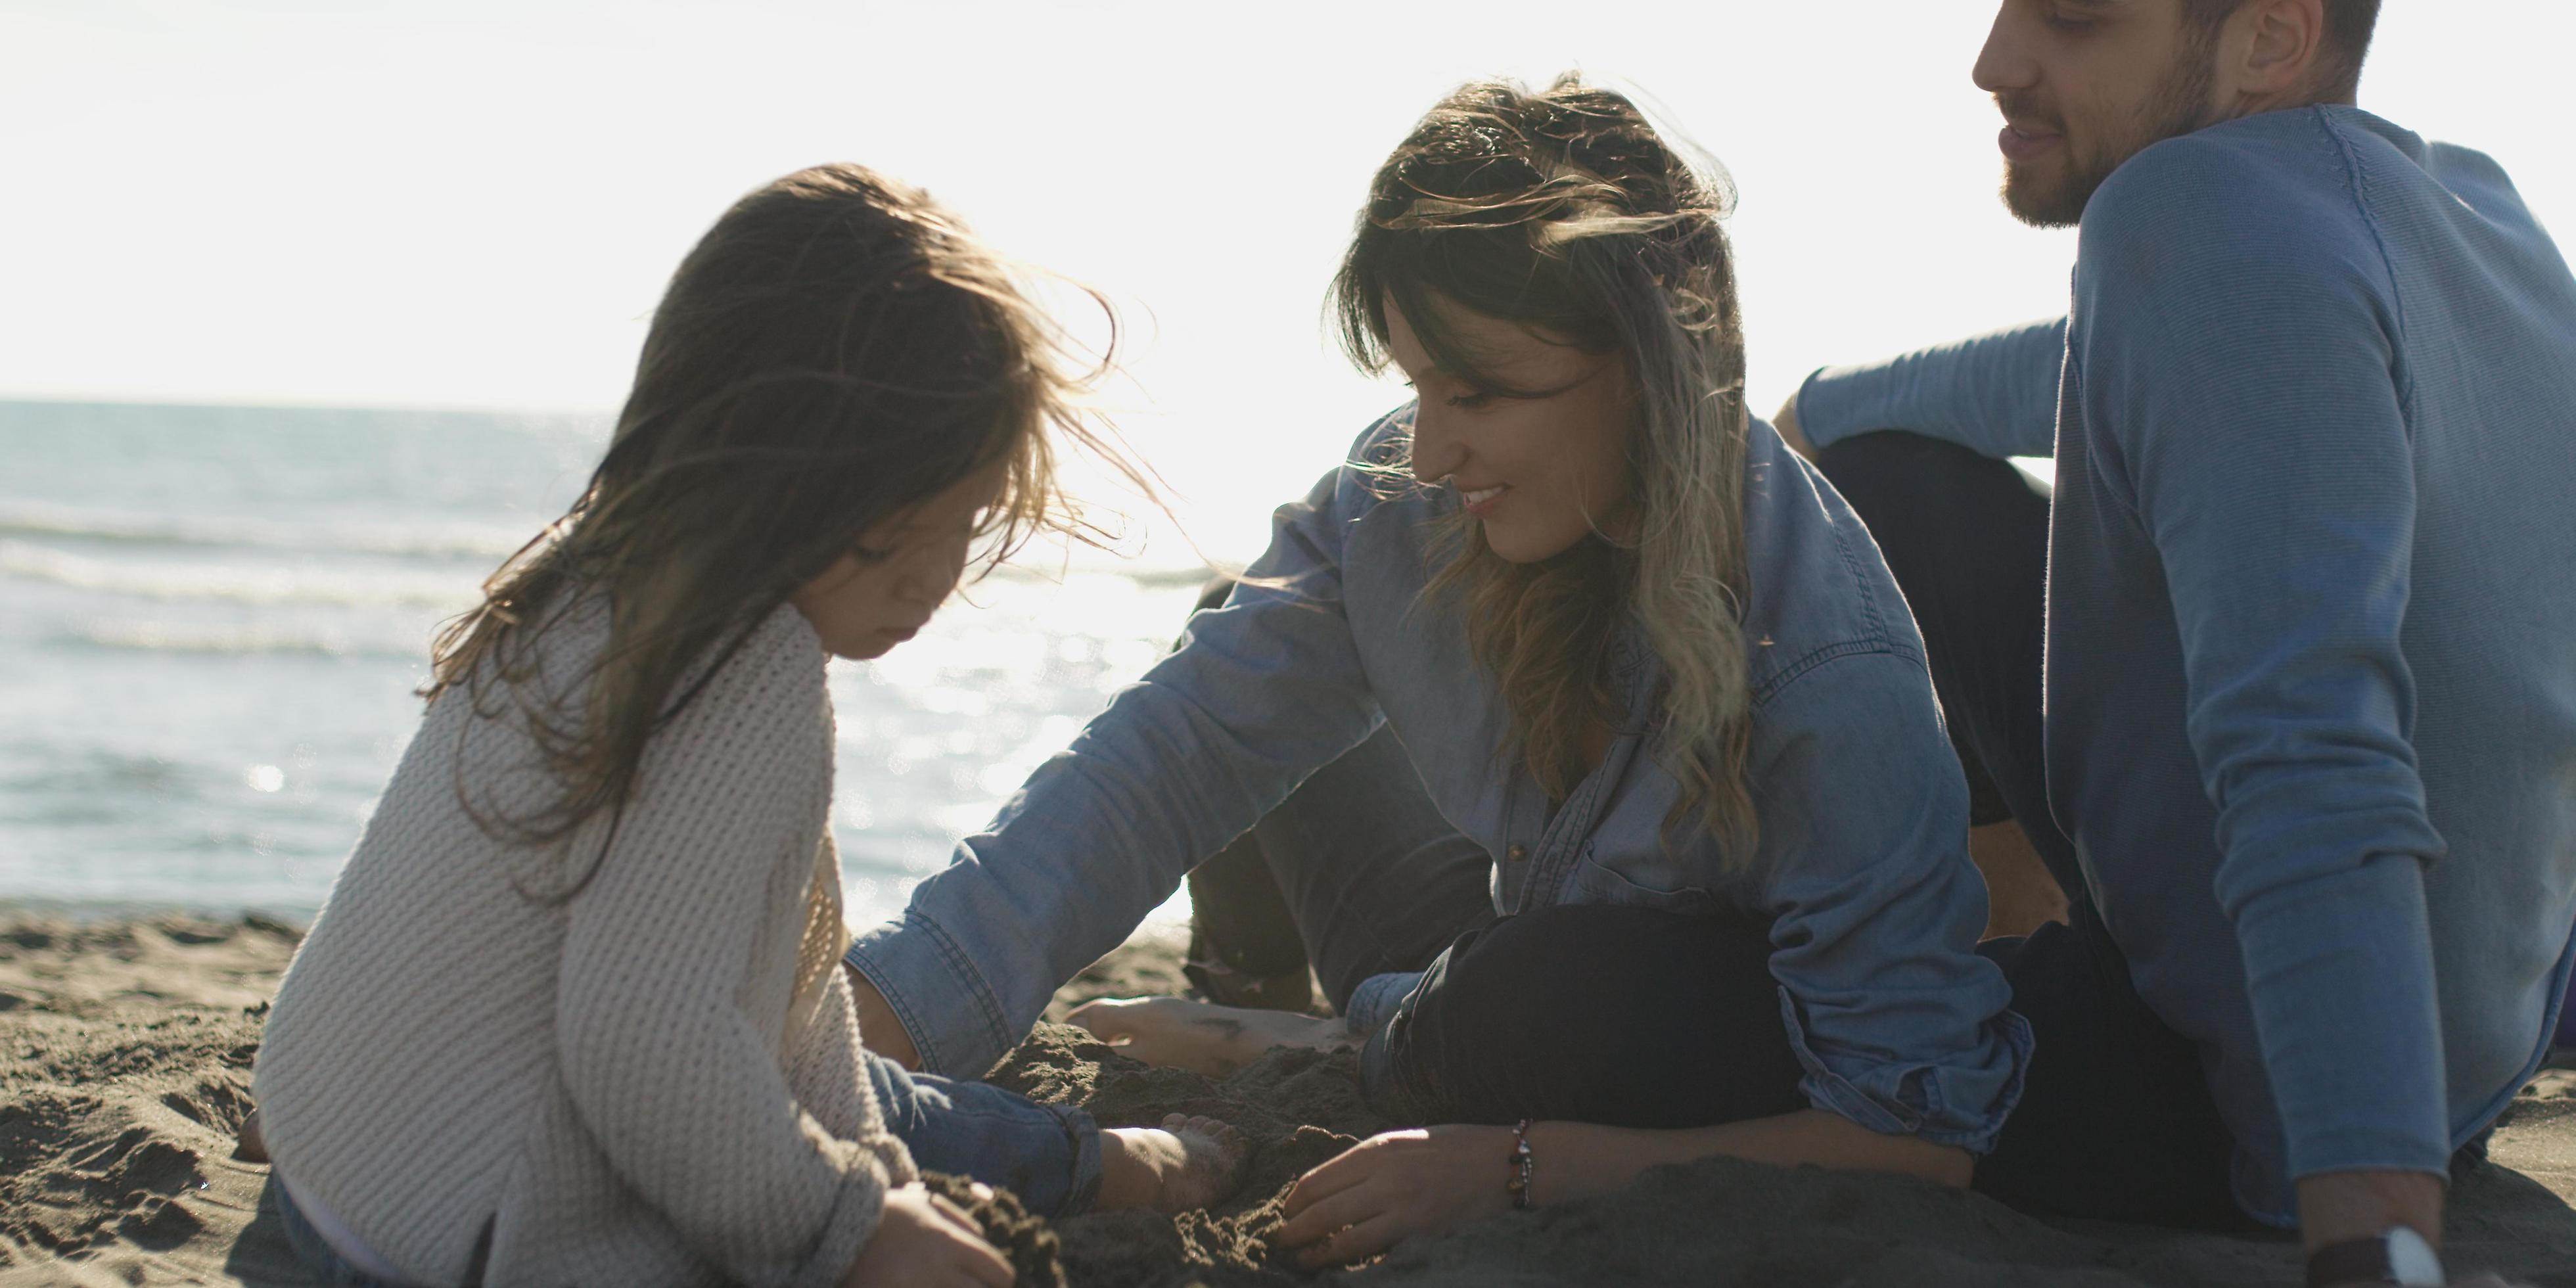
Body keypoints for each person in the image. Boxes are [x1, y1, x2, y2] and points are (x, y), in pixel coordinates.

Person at [841, 77, 2032, 1268]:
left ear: (1656, 366)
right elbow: (1172, 755)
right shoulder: (1405, 508)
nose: (1429, 446)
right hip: (1480, 962)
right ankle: (1252, 994)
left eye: (1481, 393)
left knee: (1555, 996)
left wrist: (1517, 1169)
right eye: (1416, 383)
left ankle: (1306, 1034)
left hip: (1591, 1035)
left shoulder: (1825, 668)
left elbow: (1915, 1137)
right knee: (1239, 639)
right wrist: (886, 1014)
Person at [247, 164, 1245, 1288]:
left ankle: (1088, 1162)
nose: (938, 574)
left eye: (965, 522)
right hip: (463, 1230)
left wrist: (865, 1182)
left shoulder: (592, 590)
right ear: (784, 478)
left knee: (871, 1114)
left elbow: (794, 1012)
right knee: (845, 1143)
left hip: (334, 1166)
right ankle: (1103, 1164)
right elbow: (646, 1051)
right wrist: (850, 1230)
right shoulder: (743, 671)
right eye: (899, 530)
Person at [1766, 2, 2576, 1284]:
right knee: (1884, 468)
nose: (1993, 63)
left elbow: (2307, 732)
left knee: (1565, 1009)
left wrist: (2371, 1228)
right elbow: (2118, 374)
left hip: (2267, 1094)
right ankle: (2011, 944)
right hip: (2470, 1046)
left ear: (2270, 38)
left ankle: (2002, 984)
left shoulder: (2190, 206)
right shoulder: (2474, 215)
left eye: (2074, 19)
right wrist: (1823, 405)